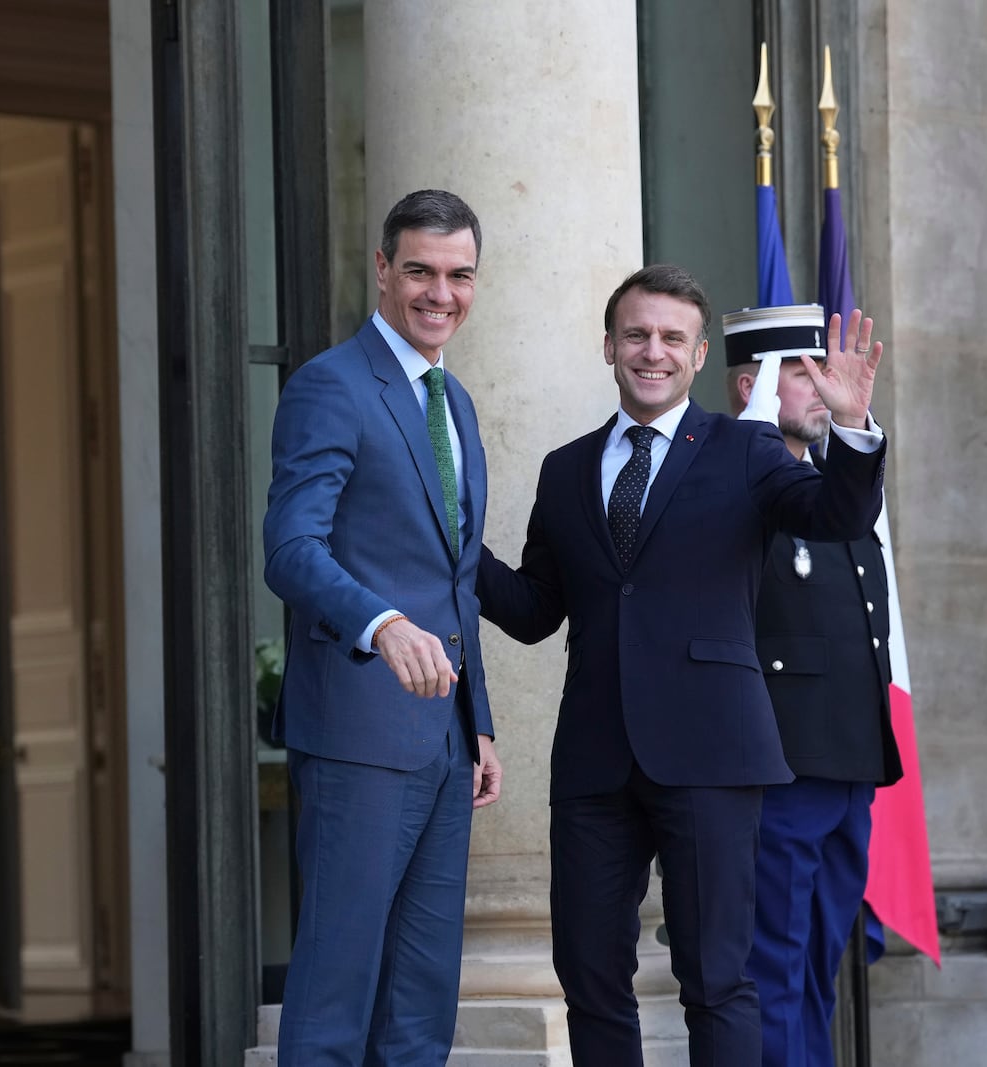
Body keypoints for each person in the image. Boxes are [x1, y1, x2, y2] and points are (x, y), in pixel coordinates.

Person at [476, 264, 886, 1065]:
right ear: (608, 346)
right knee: (590, 977)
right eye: (636, 334)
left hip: (711, 753)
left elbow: (833, 514)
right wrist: (456, 554)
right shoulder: (565, 468)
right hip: (594, 762)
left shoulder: (747, 448)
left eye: (671, 337)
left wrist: (852, 429)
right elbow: (533, 610)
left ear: (699, 356)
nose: (652, 351)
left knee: (718, 980)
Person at [263, 188, 504, 1064]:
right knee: (336, 993)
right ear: (382, 269)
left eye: (459, 275)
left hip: (443, 739)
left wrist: (477, 721)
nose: (441, 293)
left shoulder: (458, 402)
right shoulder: (329, 386)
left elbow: (454, 574)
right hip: (358, 729)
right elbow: (290, 549)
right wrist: (380, 620)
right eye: (420, 272)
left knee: (421, 1002)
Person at [723, 306, 903, 1067]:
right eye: (800, 372)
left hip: (850, 763)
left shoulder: (836, 480)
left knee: (818, 969)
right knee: (771, 971)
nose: (820, 385)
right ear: (748, 385)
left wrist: (853, 421)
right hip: (782, 767)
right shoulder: (732, 475)